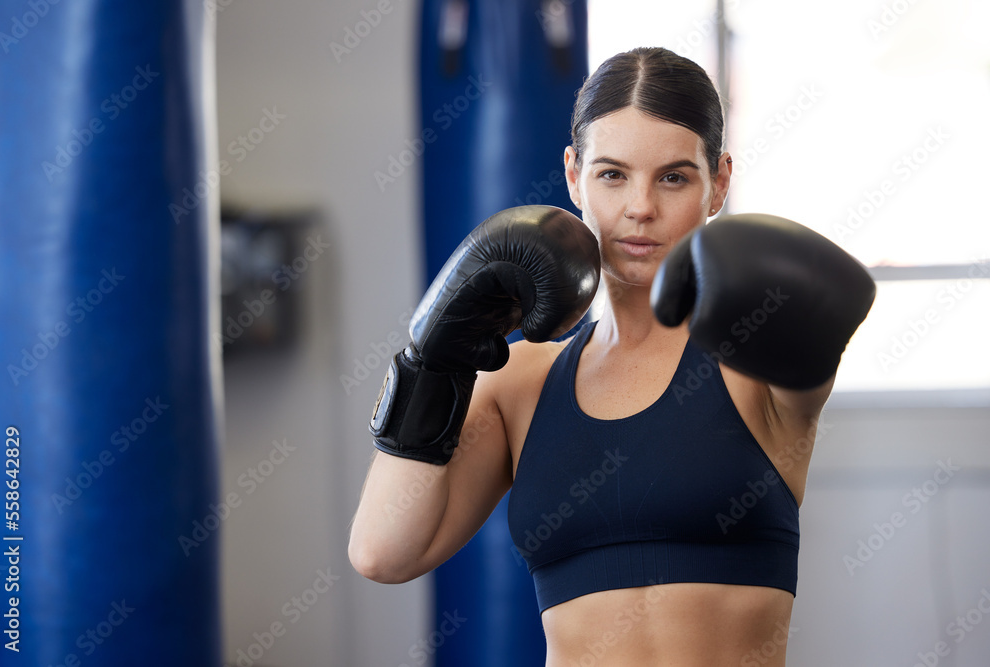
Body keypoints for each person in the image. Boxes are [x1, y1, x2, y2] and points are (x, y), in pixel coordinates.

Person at [349, 46, 875, 666]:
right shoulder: (519, 380)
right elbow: (382, 554)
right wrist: (432, 356)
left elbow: (836, 301)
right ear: (573, 175)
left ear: (720, 183)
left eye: (673, 176)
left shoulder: (751, 357)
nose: (640, 208)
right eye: (612, 174)